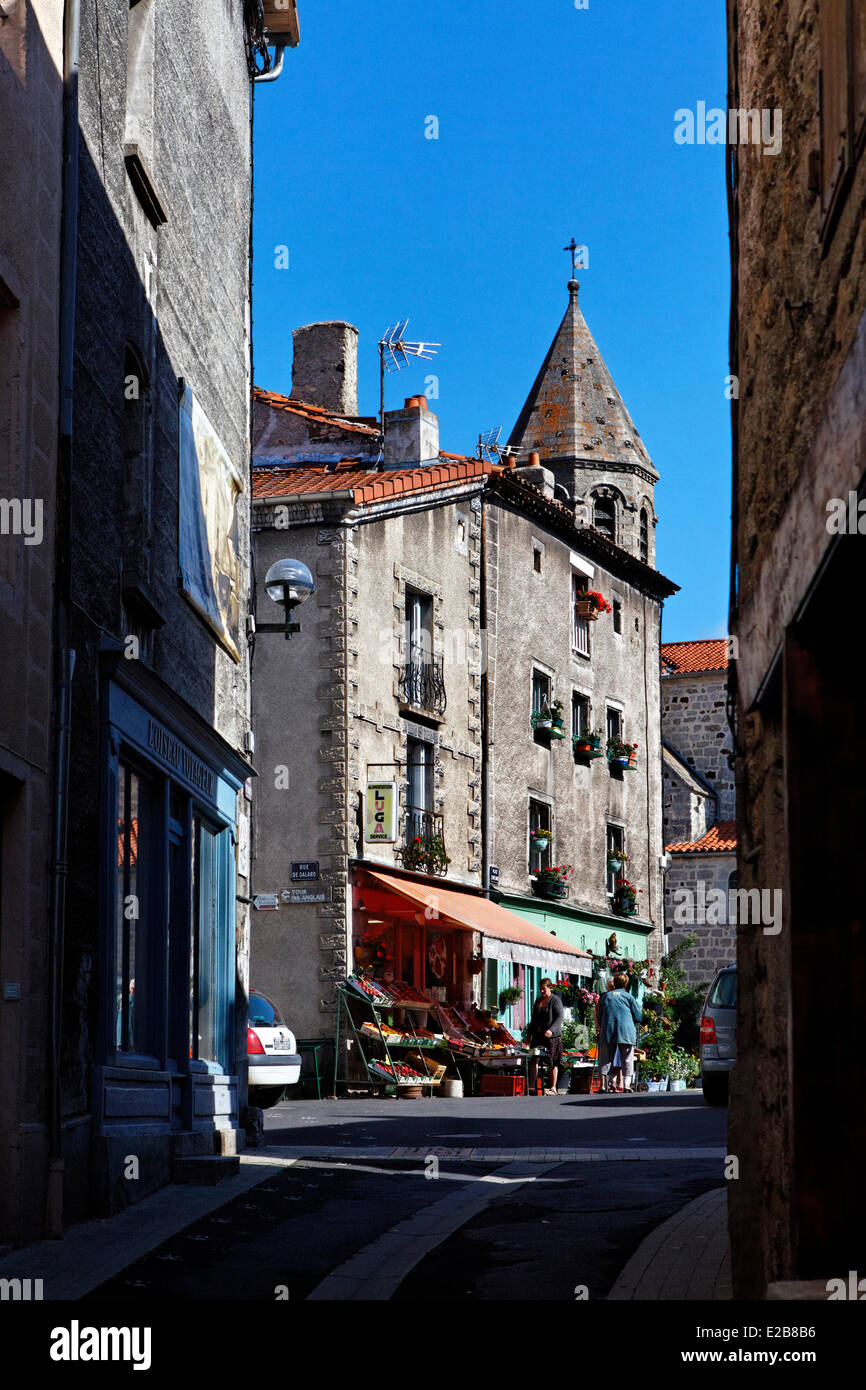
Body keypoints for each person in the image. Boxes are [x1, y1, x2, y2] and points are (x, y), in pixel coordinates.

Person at [596, 971, 643, 1093]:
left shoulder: (605, 996)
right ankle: (626, 1085)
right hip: (626, 1031)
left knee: (605, 1057)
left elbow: (599, 1015)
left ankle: (602, 1085)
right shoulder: (629, 997)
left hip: (608, 1030)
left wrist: (602, 1026)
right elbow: (638, 1016)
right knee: (627, 1057)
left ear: (614, 983)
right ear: (626, 984)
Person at [526, 978, 563, 1095]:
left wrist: (551, 1030)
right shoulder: (538, 1001)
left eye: (544, 989)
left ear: (550, 988)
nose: (542, 991)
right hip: (538, 1036)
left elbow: (559, 1017)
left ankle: (553, 1087)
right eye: (540, 989)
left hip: (552, 1037)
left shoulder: (555, 1000)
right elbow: (534, 1019)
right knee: (533, 1059)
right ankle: (531, 1086)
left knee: (552, 1061)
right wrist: (529, 1033)